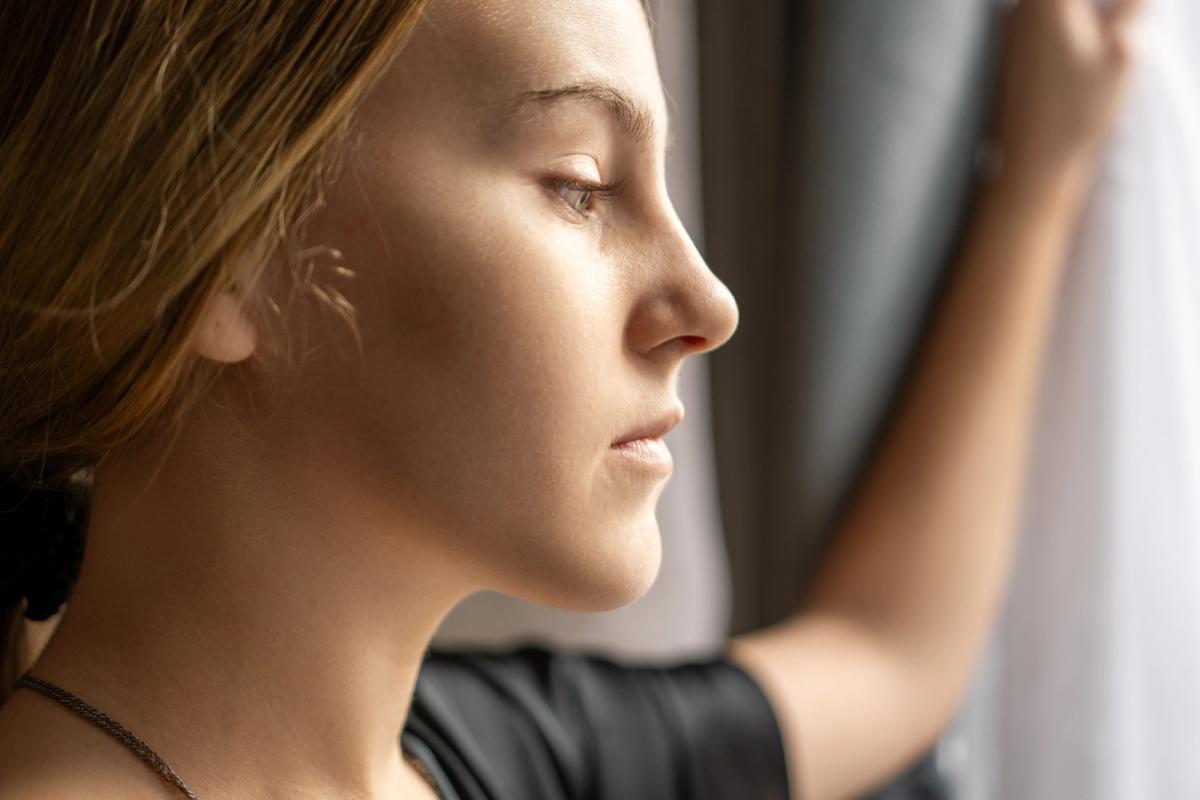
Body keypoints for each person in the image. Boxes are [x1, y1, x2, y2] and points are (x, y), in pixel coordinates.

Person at [0, 0, 1144, 798]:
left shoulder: (507, 754)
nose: (708, 300)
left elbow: (892, 655)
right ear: (221, 251)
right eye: (583, 185)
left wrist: (1039, 179)